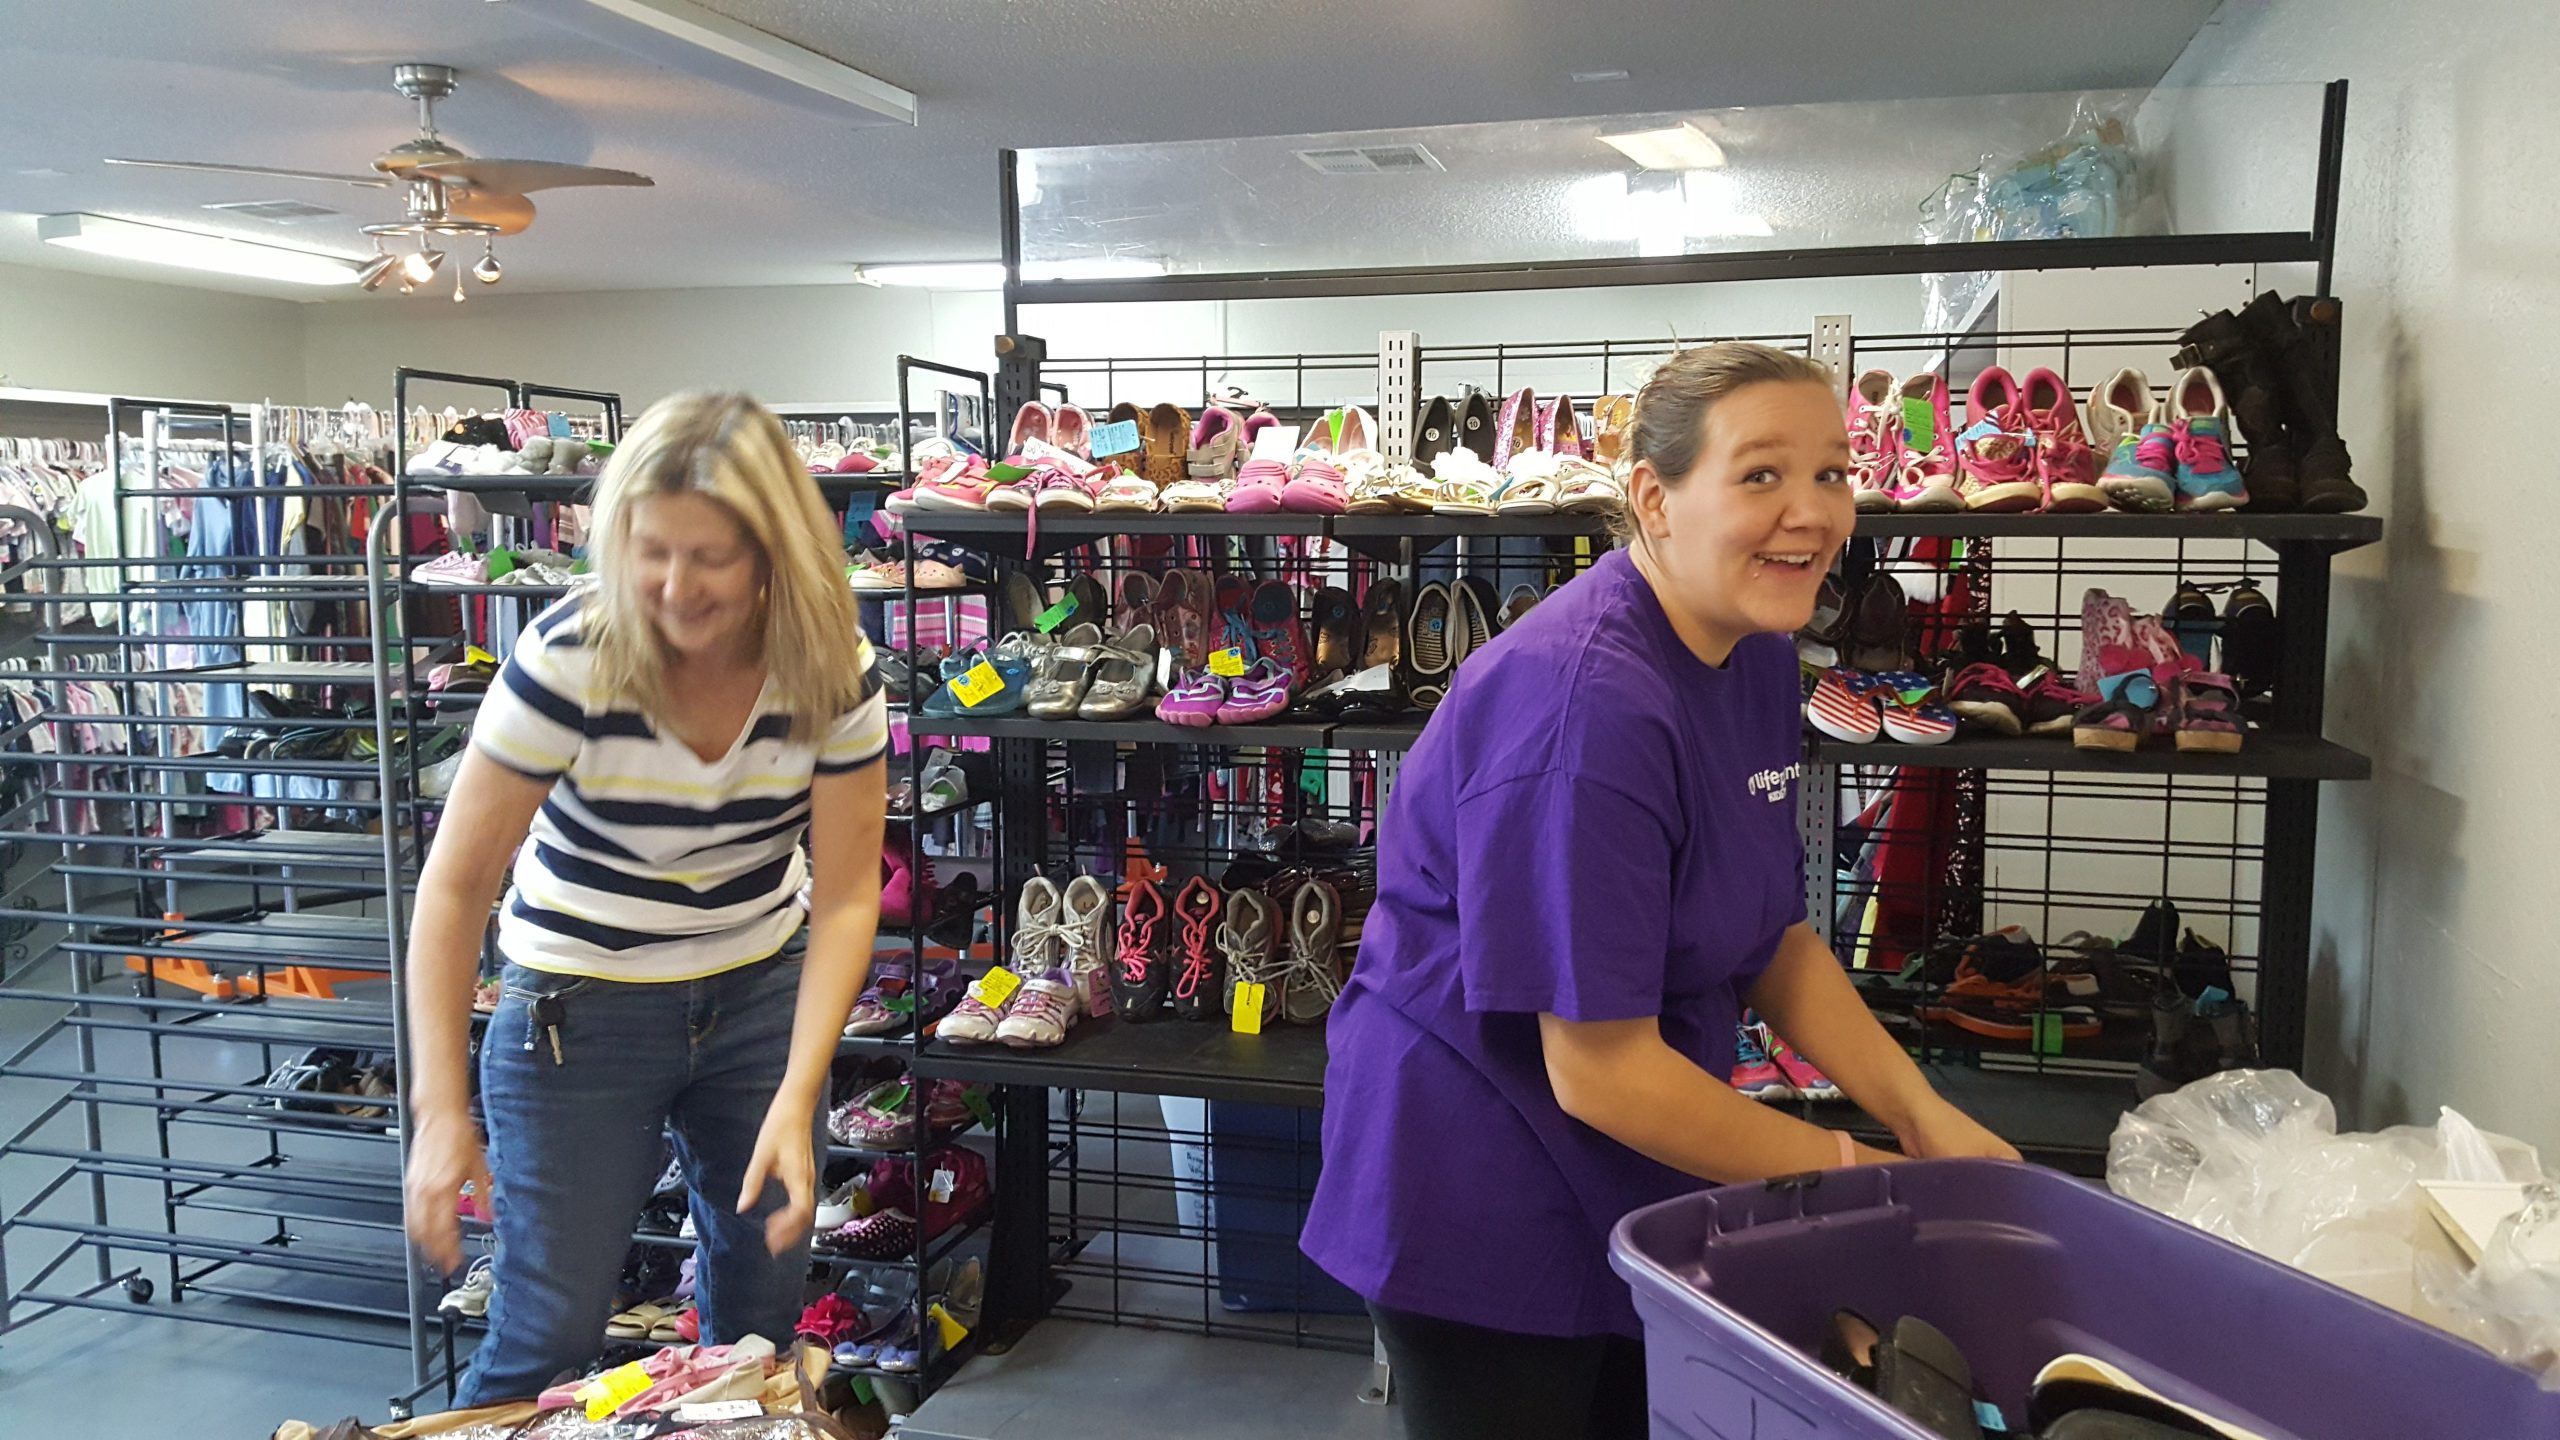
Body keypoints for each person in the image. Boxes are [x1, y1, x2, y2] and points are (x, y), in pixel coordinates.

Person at [1303, 343, 2019, 1440]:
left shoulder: (1759, 648)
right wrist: (1863, 1186)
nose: (1812, 513)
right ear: (1653, 496)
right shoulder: (1582, 707)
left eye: (1831, 473)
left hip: (1633, 1159)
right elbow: (1602, 1075)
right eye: (1760, 474)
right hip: (1482, 1186)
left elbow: (1774, 937)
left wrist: (1922, 1114)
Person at [401, 392, 887, 1404]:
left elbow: (845, 897)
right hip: (576, 1010)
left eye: (710, 556)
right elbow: (453, 889)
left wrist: (800, 1096)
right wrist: (441, 1108)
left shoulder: (832, 667)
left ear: (773, 552)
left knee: (757, 1330)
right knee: (549, 1331)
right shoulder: (569, 655)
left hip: (758, 998)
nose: (674, 586)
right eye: (650, 549)